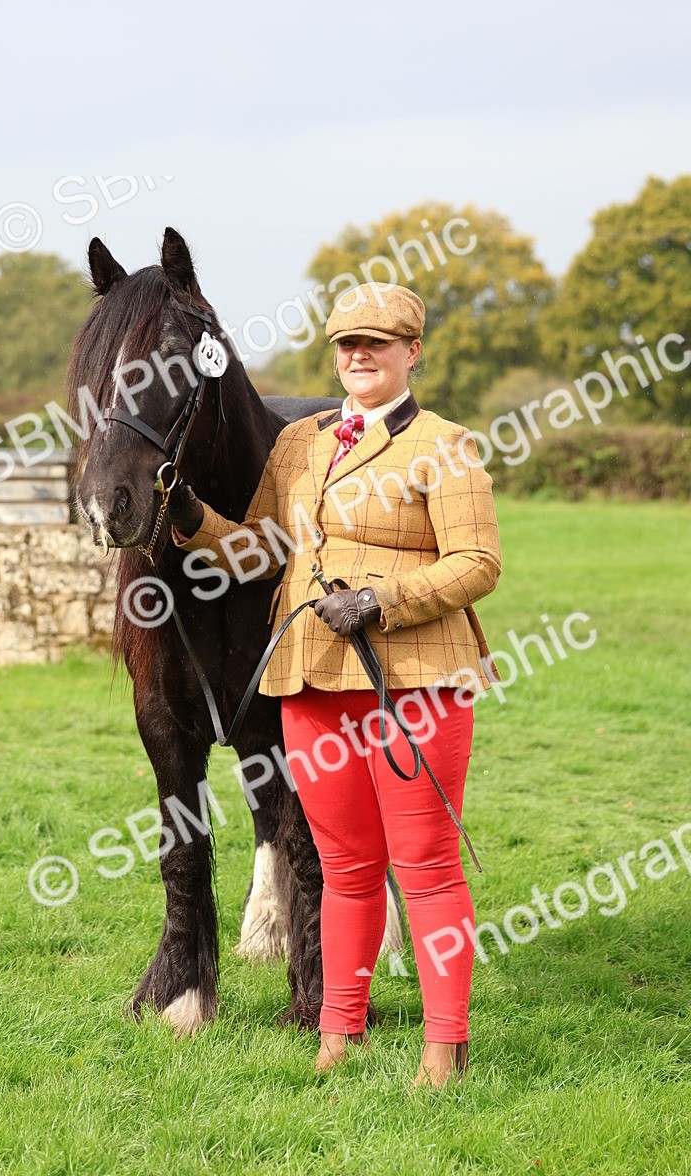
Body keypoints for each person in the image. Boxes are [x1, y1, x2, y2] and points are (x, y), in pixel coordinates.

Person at [168, 281, 502, 1088]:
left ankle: (443, 1047)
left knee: (424, 866)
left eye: (377, 343)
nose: (359, 355)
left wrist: (382, 598)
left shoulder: (447, 446)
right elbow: (256, 550)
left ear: (411, 352)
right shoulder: (302, 443)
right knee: (344, 864)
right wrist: (187, 517)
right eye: (347, 344)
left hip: (412, 680)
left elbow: (478, 564)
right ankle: (336, 1035)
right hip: (311, 677)